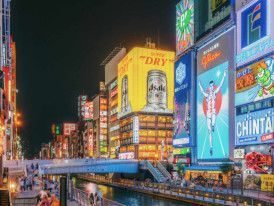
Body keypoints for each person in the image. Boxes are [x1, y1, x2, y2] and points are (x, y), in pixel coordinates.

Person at [198, 68, 227, 156]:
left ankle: (213, 125)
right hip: (208, 114)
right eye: (210, 86)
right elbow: (202, 91)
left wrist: (224, 75)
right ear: (209, 87)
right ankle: (211, 147)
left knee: (213, 122)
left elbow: (221, 85)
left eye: (212, 86)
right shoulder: (207, 95)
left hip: (213, 112)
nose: (211, 87)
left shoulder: (214, 93)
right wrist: (199, 84)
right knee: (209, 131)